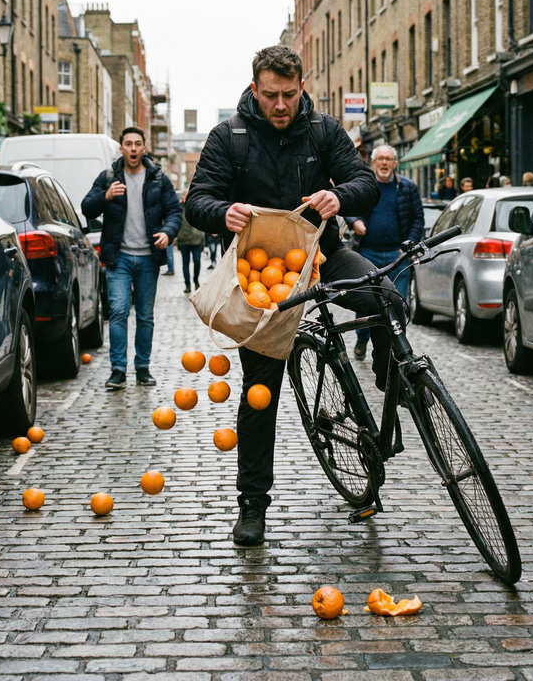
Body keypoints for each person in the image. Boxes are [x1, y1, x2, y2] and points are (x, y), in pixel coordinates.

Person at [185, 45, 403, 547]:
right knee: (260, 393)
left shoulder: (323, 130)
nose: (280, 105)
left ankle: (388, 375)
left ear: (302, 87)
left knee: (389, 299)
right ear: (254, 88)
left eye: (288, 94)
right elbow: (197, 201)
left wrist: (339, 196)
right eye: (270, 95)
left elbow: (365, 183)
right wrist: (223, 212)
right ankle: (252, 506)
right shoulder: (229, 137)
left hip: (322, 256)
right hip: (262, 277)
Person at [82, 126, 182, 390]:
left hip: (149, 258)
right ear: (122, 148)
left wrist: (168, 232)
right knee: (118, 311)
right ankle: (117, 370)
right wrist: (105, 196)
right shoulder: (109, 177)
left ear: (144, 148)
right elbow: (86, 208)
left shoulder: (158, 178)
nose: (134, 148)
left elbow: (175, 211)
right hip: (120, 258)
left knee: (145, 316)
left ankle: (142, 368)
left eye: (138, 144)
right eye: (129, 144)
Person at [344, 144, 425, 360]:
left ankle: (394, 350)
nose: (384, 163)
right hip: (367, 253)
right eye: (380, 159)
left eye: (389, 159)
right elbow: (348, 206)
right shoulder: (364, 185)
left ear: (395, 163)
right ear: (373, 162)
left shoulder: (407, 187)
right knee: (366, 300)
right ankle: (362, 338)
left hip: (397, 256)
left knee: (398, 303)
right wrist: (355, 222)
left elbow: (418, 218)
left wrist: (408, 244)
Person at [176, 189, 206, 294]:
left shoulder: (196, 206)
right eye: (183, 196)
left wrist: (202, 239)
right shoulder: (179, 208)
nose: (185, 197)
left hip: (196, 239)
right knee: (185, 263)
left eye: (187, 195)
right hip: (183, 240)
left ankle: (196, 280)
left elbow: (202, 221)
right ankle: (187, 284)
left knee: (197, 261)